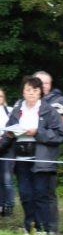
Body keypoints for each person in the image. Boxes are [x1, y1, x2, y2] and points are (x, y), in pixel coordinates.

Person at [1, 76, 63, 235]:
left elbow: (59, 134)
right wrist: (9, 134)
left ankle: (43, 228)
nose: (31, 93)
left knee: (41, 194)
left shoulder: (48, 110)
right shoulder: (17, 110)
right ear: (23, 91)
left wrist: (37, 132)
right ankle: (29, 226)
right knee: (25, 195)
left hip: (40, 159)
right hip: (21, 159)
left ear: (40, 93)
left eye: (35, 90)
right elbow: (8, 134)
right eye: (28, 90)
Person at [0, 88, 13, 217]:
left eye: (1, 96)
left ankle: (8, 205)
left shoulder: (9, 111)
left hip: (7, 148)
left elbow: (13, 129)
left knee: (7, 179)